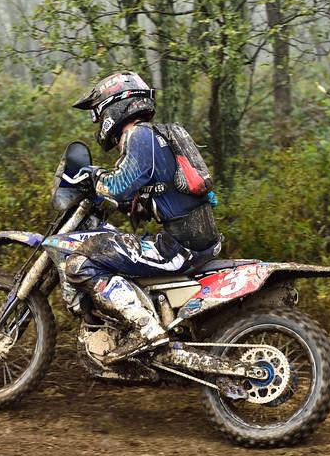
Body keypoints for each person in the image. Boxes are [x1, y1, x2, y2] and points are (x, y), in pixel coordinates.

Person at [56, 71, 221, 362]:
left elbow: (119, 186)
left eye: (97, 113)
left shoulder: (139, 135)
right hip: (194, 240)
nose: (96, 121)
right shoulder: (156, 137)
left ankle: (146, 329)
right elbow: (148, 193)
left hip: (178, 247)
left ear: (115, 104)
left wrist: (91, 176)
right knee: (114, 246)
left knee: (79, 262)